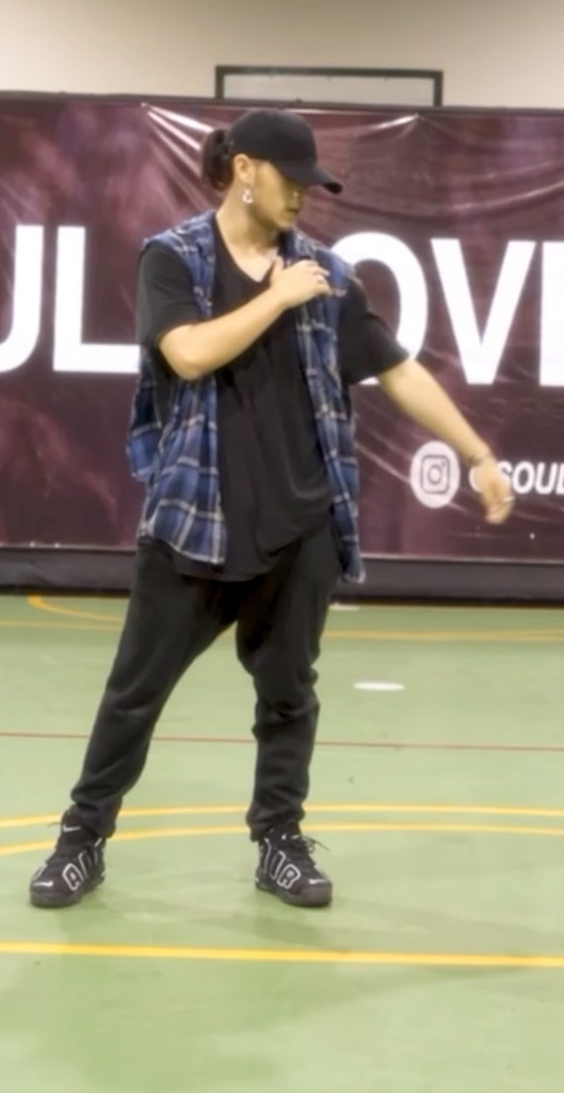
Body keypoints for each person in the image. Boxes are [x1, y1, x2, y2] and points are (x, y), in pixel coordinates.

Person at [29, 107, 513, 911]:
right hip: (195, 524)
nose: (302, 197)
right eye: (292, 180)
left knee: (289, 693)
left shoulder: (326, 276)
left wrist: (478, 453)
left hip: (301, 526)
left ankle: (279, 841)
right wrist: (276, 298)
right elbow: (187, 353)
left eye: (311, 186)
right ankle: (81, 839)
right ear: (245, 169)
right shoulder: (173, 258)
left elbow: (397, 369)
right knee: (135, 692)